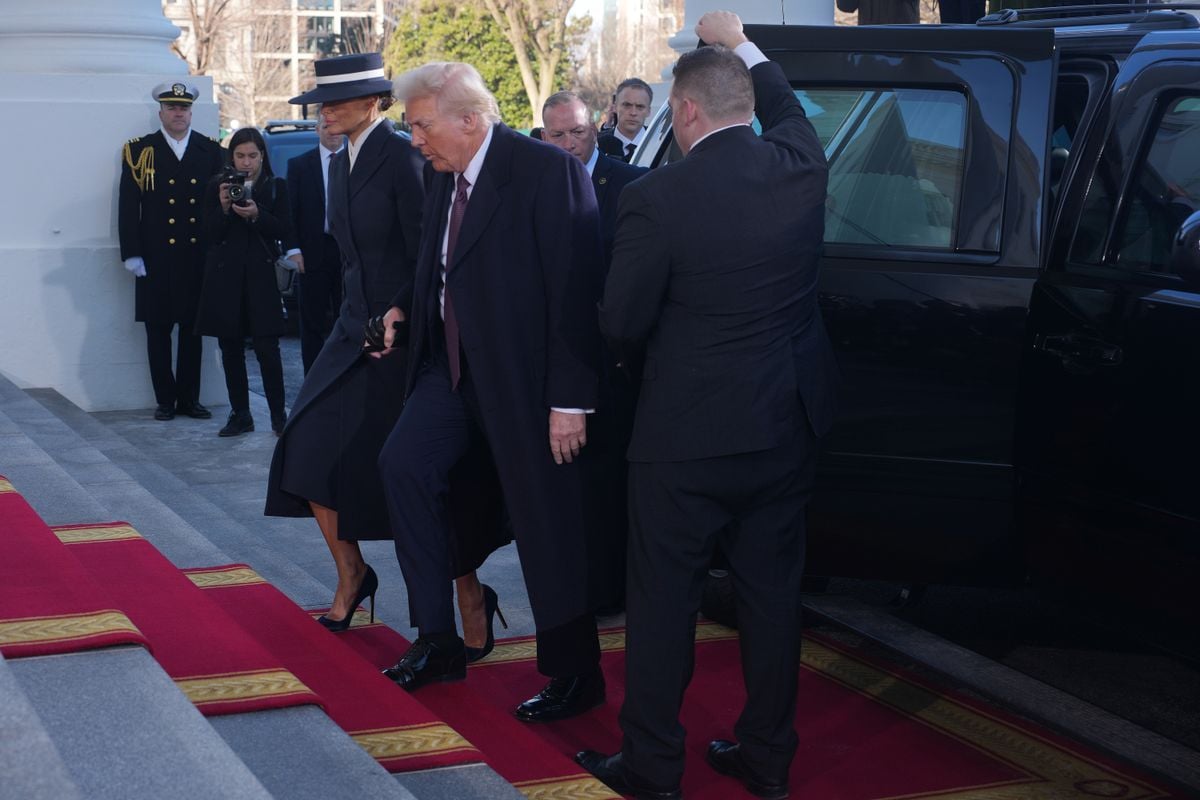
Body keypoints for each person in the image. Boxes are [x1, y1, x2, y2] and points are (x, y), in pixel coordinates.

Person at [576, 11, 837, 800]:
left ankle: (653, 768)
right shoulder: (800, 163)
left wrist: (646, 361)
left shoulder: (657, 197)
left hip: (683, 437)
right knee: (770, 601)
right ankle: (767, 757)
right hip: (782, 429)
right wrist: (744, 41)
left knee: (662, 606)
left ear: (685, 112)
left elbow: (620, 320)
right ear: (745, 107)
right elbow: (789, 109)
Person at [375, 61, 606, 725]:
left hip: (528, 386)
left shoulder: (545, 173)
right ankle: (438, 639)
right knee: (402, 465)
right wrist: (400, 308)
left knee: (547, 525)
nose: (413, 137)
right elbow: (439, 269)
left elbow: (575, 293)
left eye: (421, 124)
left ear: (469, 120)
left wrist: (570, 399)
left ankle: (575, 674)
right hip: (449, 375)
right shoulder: (439, 175)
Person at [264, 53, 425, 631]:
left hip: (396, 337)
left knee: (407, 471)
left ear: (373, 103)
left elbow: (427, 254)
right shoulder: (340, 163)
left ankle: (463, 593)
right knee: (302, 447)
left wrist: (399, 318)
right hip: (348, 329)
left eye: (336, 103)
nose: (325, 112)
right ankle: (353, 571)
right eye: (321, 103)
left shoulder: (404, 157)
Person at [541, 90, 646, 615]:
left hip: (619, 358)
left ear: (594, 129)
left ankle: (615, 586)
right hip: (559, 356)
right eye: (556, 135)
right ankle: (579, 583)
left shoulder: (631, 183)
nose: (568, 143)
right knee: (569, 484)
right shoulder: (534, 185)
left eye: (577, 132)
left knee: (614, 481)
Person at [118, 81, 225, 421]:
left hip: (196, 257)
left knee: (193, 333)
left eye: (184, 107)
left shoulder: (211, 150)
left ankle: (189, 400)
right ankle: (165, 399)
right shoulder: (140, 151)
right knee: (158, 330)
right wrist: (131, 252)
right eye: (172, 107)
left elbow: (216, 207)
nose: (178, 113)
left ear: (191, 112)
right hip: (156, 258)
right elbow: (128, 205)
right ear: (161, 112)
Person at [194, 127, 296, 437]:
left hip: (261, 279)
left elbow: (284, 229)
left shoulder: (276, 187)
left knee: (268, 349)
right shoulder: (218, 186)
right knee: (231, 349)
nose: (246, 162)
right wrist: (225, 208)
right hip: (226, 280)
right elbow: (208, 234)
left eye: (252, 155)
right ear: (231, 157)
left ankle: (279, 415)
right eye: (240, 156)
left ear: (263, 156)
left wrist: (256, 215)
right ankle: (241, 414)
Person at [287, 117, 345, 375]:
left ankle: (344, 378)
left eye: (337, 127)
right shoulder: (299, 165)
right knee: (312, 322)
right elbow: (291, 211)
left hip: (348, 253)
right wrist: (293, 249)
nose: (333, 133)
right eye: (326, 127)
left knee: (347, 319)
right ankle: (313, 380)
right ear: (317, 130)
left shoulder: (358, 161)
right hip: (312, 253)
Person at [597, 78, 653, 163]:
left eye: (640, 107)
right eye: (627, 105)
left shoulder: (659, 143)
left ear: (648, 111)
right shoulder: (596, 145)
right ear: (615, 107)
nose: (633, 113)